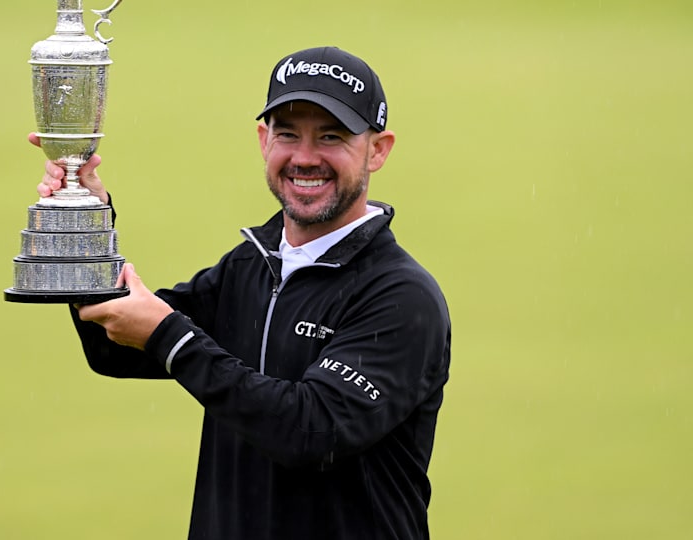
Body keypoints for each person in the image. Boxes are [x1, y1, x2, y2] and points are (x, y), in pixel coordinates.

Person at [32, 46, 452, 540]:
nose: (305, 157)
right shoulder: (251, 265)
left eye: (332, 137)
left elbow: (311, 431)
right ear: (263, 140)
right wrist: (85, 224)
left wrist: (172, 338)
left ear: (378, 150)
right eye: (288, 134)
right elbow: (111, 346)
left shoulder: (401, 297)